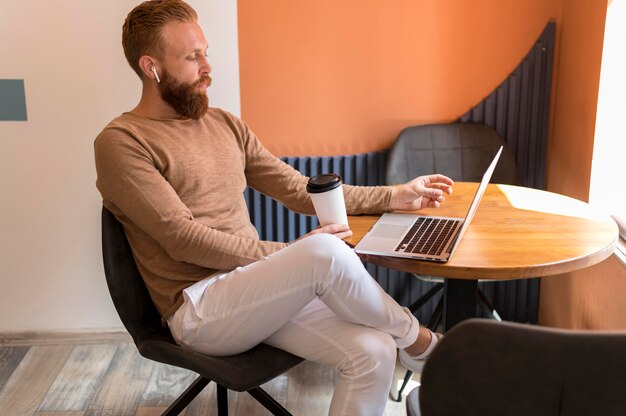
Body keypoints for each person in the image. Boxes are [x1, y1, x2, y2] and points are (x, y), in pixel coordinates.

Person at [94, 1, 454, 414]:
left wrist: (393, 196)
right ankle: (421, 343)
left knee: (373, 351)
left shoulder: (225, 124)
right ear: (150, 67)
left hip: (258, 292)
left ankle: (406, 346)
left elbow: (300, 190)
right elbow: (182, 239)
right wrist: (293, 254)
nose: (208, 68)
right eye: (192, 58)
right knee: (324, 252)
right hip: (199, 309)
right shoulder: (122, 142)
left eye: (206, 52)